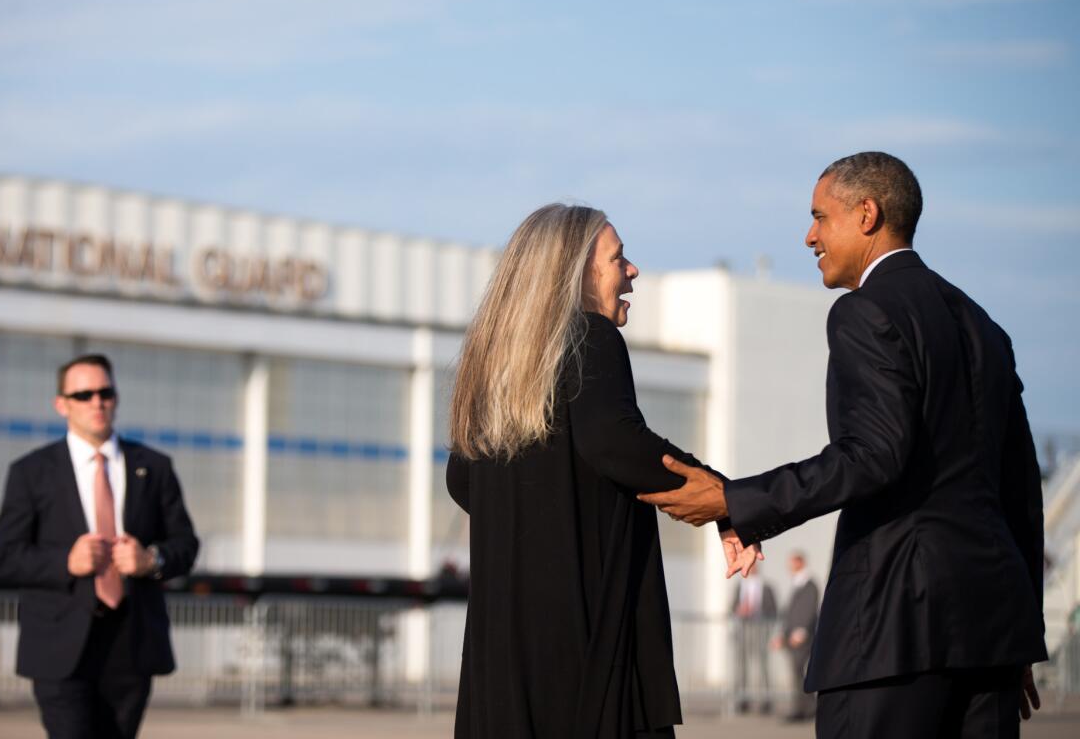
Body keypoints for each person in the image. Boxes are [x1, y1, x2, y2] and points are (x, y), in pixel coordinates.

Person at [640, 152, 1046, 738]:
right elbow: (1019, 490)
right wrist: (1020, 635)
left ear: (866, 214)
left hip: (895, 627)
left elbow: (873, 454)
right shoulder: (986, 328)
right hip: (993, 635)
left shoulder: (865, 310)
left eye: (818, 217)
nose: (809, 236)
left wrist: (737, 501)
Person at [445, 204, 757, 739]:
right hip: (583, 646)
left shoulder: (494, 366)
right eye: (618, 259)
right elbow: (619, 445)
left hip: (504, 663)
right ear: (578, 271)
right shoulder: (591, 336)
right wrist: (727, 499)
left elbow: (462, 480)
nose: (632, 270)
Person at [0, 353, 199, 739]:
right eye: (84, 394)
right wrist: (65, 563)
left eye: (105, 392)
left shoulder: (153, 467)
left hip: (131, 644)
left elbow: (186, 545)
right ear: (62, 404)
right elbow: (4, 558)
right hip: (60, 647)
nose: (97, 402)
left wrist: (150, 559)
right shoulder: (31, 472)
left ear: (116, 397)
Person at [771, 551, 817, 722]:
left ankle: (803, 708)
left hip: (801, 638)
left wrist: (801, 631)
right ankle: (806, 707)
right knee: (796, 673)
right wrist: (781, 635)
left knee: (798, 670)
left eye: (792, 563)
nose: (789, 567)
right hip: (790, 637)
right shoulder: (797, 584)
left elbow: (809, 610)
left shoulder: (810, 585)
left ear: (800, 563)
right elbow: (789, 613)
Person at [729, 570, 776, 714]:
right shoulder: (740, 586)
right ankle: (742, 699)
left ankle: (766, 700)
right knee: (741, 665)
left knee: (762, 665)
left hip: (760, 628)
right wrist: (739, 609)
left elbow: (773, 609)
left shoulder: (766, 587)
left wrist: (758, 611)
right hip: (743, 628)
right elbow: (732, 607)